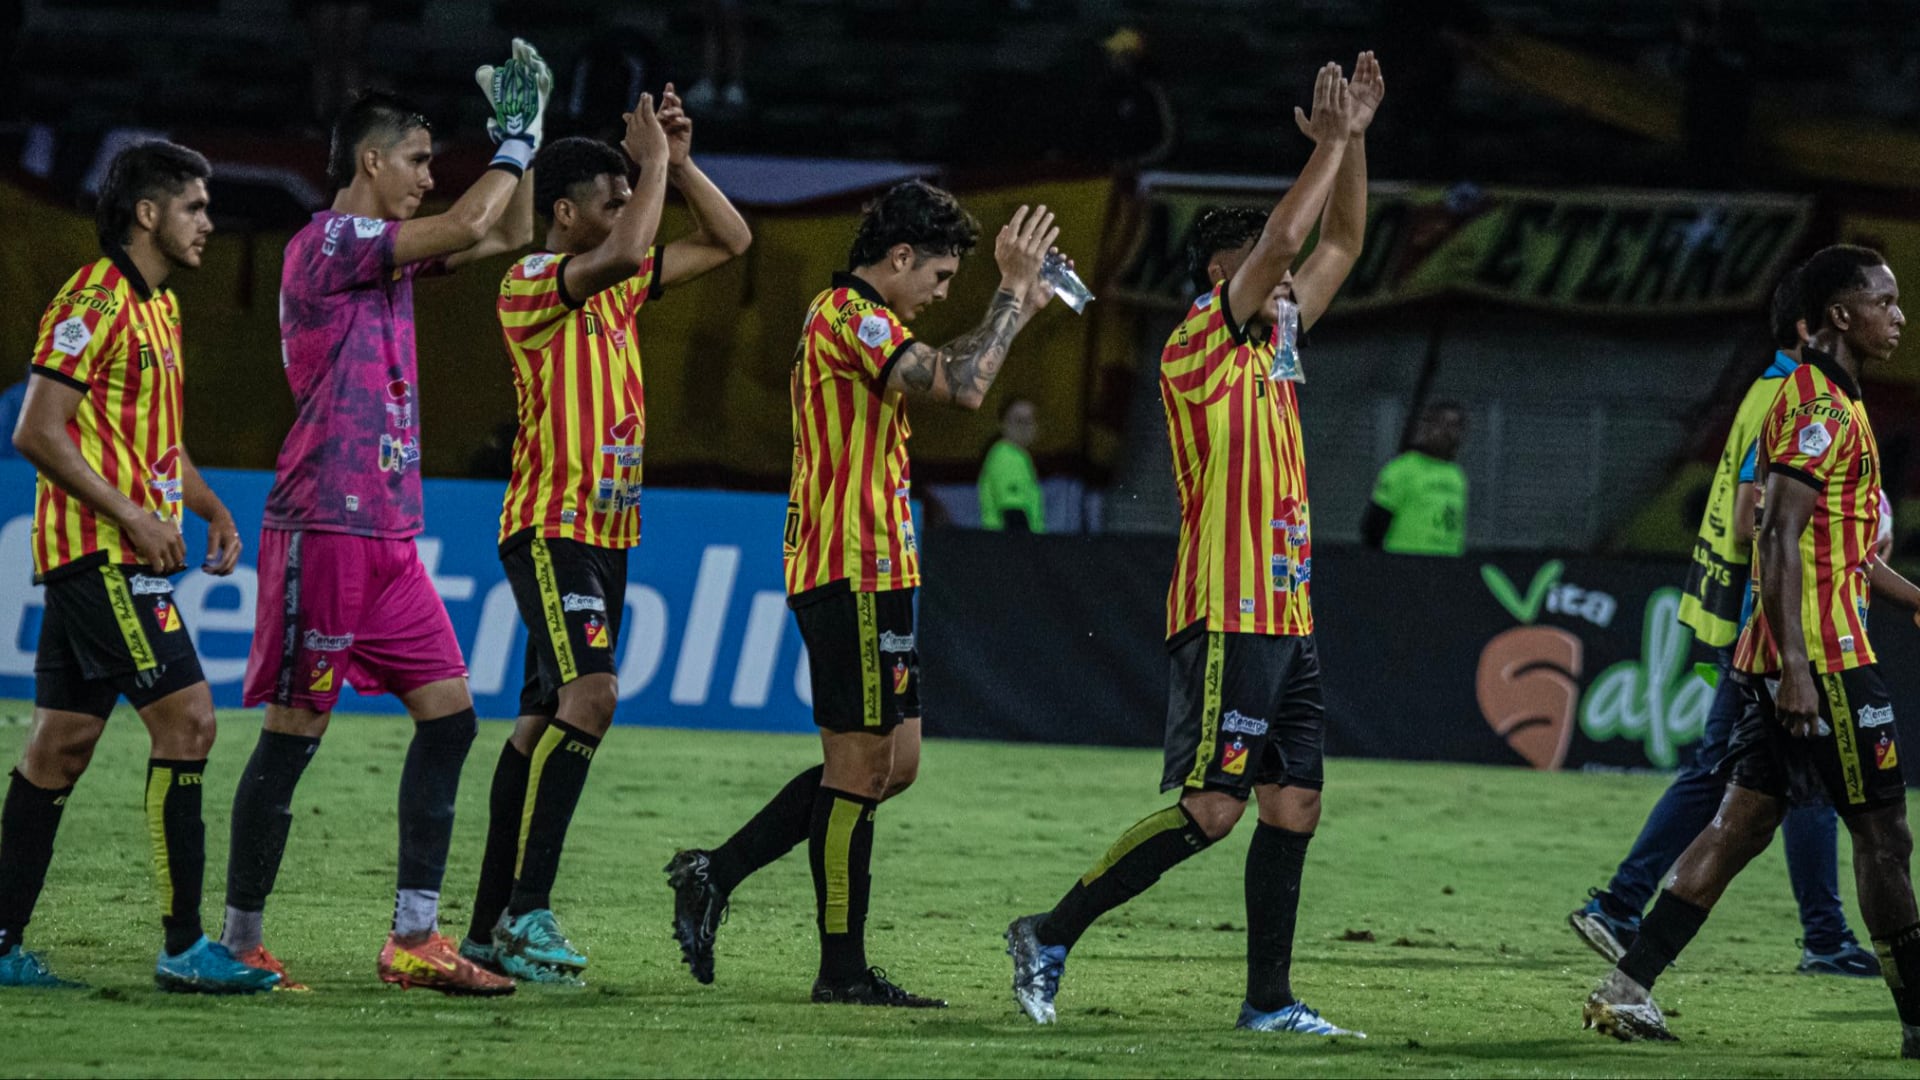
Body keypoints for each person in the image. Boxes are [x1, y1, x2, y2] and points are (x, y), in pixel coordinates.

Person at [1005, 55, 1383, 1034]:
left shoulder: (1276, 345)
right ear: (1227, 274)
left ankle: (1269, 1003)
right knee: (1213, 811)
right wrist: (1327, 144)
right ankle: (1049, 931)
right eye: (1272, 269)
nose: (1294, 281)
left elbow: (1342, 235)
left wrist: (1359, 141)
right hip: (1227, 610)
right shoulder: (1197, 344)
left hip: (1288, 617)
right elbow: (1298, 233)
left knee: (1292, 808)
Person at [664, 180, 1063, 1006]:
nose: (940, 295)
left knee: (894, 763)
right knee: (858, 765)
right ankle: (841, 971)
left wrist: (1020, 301)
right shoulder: (848, 314)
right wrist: (1010, 293)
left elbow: (954, 368)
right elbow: (963, 386)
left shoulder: (870, 323)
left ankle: (716, 871)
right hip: (847, 564)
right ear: (902, 257)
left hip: (880, 569)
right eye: (941, 278)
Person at [218, 45, 549, 996]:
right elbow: (471, 214)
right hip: (322, 522)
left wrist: (519, 145)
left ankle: (414, 938)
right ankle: (239, 941)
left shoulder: (389, 262)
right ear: (370, 161)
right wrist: (514, 145)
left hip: (392, 535)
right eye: (416, 159)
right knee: (293, 732)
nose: (428, 175)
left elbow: (502, 232)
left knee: (449, 721)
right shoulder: (326, 242)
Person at [1582, 245, 1918, 1055]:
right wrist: (1797, 670)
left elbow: (1840, 549)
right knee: (1884, 839)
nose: (1898, 317)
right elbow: (1774, 534)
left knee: (1741, 823)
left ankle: (1624, 990)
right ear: (1840, 315)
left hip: (1797, 656)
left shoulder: (1835, 400)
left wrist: (1911, 599)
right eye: (1884, 301)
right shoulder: (1817, 410)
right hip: (1824, 661)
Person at [459, 86, 751, 983]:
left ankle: (484, 928)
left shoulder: (616, 291)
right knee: (594, 698)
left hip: (606, 531)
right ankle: (529, 912)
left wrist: (682, 159)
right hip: (552, 527)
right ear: (564, 213)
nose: (630, 211)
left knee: (541, 719)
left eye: (632, 195)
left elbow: (733, 241)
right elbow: (631, 248)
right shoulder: (531, 284)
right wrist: (652, 161)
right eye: (612, 196)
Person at [0, 141, 276, 993]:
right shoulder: (94, 297)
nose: (209, 223)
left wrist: (210, 505)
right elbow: (37, 430)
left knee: (59, 748)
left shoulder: (159, 307)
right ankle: (185, 945)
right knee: (188, 723)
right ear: (147, 214)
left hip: (116, 548)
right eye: (195, 207)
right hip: (101, 555)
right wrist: (129, 514)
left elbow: (152, 440)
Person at [1359, 401, 1467, 555]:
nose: (1449, 433)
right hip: (1408, 565)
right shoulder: (1402, 469)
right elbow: (1374, 527)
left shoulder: (1457, 475)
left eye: (1456, 427)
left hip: (1447, 566)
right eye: (1442, 425)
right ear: (1427, 428)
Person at [978, 397, 1044, 532]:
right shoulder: (1006, 455)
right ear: (1002, 424)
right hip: (1008, 547)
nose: (1024, 428)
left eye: (1029, 421)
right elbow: (1013, 511)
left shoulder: (1022, 457)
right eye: (1018, 421)